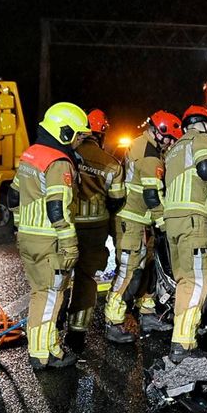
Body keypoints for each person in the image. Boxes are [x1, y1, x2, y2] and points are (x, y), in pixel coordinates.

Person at [13, 102, 89, 370]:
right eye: (78, 135)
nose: (80, 141)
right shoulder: (58, 162)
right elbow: (57, 207)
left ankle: (46, 347)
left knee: (40, 294)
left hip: (28, 237)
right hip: (50, 240)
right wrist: (69, 243)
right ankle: (43, 354)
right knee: (52, 296)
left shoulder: (31, 154)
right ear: (64, 132)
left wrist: (19, 226)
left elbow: (13, 196)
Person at [105, 110, 181, 343]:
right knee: (129, 270)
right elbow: (152, 195)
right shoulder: (150, 156)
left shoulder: (142, 144)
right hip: (133, 219)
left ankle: (147, 312)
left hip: (140, 219)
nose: (170, 144)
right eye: (169, 139)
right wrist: (164, 224)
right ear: (159, 132)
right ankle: (113, 321)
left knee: (148, 267)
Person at [163, 105, 207, 362]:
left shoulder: (173, 149)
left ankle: (182, 336)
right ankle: (183, 344)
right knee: (198, 281)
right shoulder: (201, 139)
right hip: (193, 220)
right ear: (206, 123)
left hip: (173, 221)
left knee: (184, 281)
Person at [67, 108, 125, 353]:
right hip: (95, 227)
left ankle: (52, 327)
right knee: (86, 278)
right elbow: (117, 199)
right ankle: (76, 335)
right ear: (101, 134)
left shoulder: (66, 155)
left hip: (67, 224)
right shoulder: (111, 163)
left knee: (58, 278)